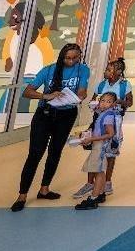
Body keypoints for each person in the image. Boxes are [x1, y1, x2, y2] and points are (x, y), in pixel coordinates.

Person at [11, 43, 90, 212]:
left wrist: (79, 97)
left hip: (67, 115)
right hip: (45, 114)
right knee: (35, 154)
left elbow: (83, 91)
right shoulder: (48, 70)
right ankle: (22, 195)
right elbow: (27, 91)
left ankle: (44, 188)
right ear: (62, 57)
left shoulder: (83, 69)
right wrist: (47, 95)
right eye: (68, 58)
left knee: (55, 152)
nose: (71, 61)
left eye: (75, 58)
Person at [74, 58, 132, 199]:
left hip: (114, 121)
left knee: (111, 152)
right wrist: (95, 105)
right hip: (99, 121)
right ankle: (90, 183)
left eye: (109, 70)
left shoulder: (124, 85)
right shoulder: (101, 85)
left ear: (118, 72)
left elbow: (129, 102)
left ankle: (107, 182)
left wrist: (118, 101)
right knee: (96, 150)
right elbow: (94, 100)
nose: (105, 72)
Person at [74, 92, 120, 210]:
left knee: (98, 171)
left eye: (109, 102)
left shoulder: (108, 116)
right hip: (97, 146)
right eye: (103, 101)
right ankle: (100, 194)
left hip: (100, 147)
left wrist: (91, 138)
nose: (104, 104)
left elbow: (110, 134)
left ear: (114, 104)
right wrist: (87, 136)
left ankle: (93, 199)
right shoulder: (102, 114)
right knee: (99, 171)